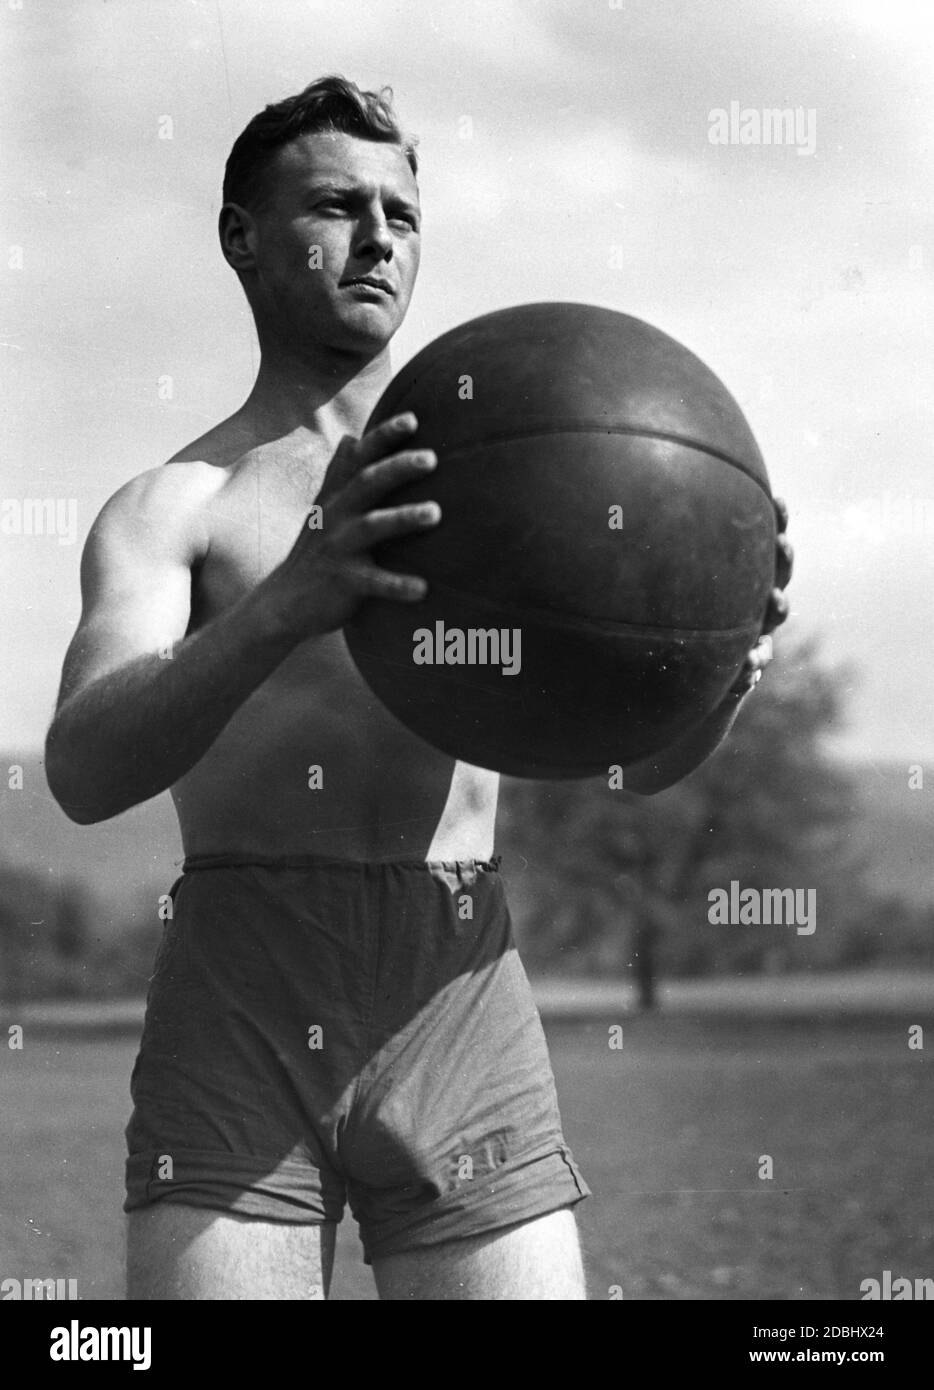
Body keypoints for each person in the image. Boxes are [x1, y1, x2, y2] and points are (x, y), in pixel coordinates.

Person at [45, 75, 792, 1301]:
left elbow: (628, 768)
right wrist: (293, 595)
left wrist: (719, 673)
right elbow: (81, 770)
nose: (380, 235)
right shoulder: (172, 508)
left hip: (457, 981)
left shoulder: (522, 470)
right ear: (242, 235)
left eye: (402, 209)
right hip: (243, 991)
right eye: (337, 204)